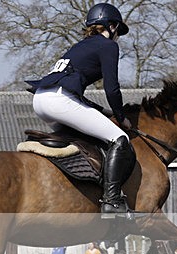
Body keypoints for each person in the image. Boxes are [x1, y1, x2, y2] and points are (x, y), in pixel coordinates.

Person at [27, 3, 135, 218]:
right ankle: (112, 201)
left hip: (41, 99)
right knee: (120, 139)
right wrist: (121, 117)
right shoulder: (108, 46)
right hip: (59, 101)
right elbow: (112, 88)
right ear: (112, 26)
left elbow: (76, 94)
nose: (118, 37)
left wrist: (102, 111)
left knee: (83, 139)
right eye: (118, 31)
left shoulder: (81, 46)